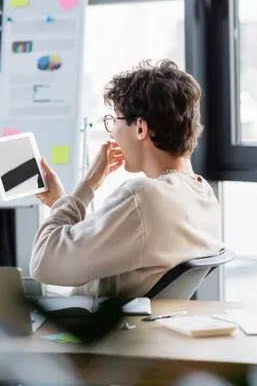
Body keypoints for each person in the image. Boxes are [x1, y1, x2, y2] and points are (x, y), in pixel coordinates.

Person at [31, 59, 225, 298]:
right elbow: (115, 242)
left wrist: (88, 184)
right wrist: (63, 202)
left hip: (96, 332)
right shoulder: (202, 194)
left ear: (141, 129)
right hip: (147, 331)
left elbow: (44, 263)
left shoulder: (142, 196)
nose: (111, 131)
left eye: (115, 119)